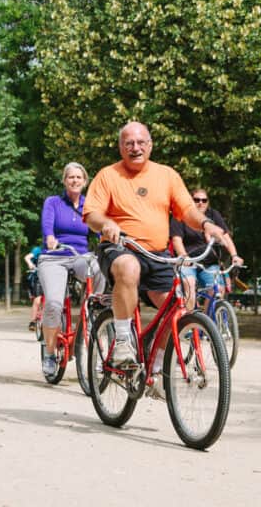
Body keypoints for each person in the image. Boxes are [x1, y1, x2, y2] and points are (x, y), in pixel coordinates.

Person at [83, 122, 226, 393]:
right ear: (121, 147)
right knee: (127, 266)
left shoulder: (167, 175)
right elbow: (92, 214)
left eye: (140, 143)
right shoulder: (107, 175)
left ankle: (157, 367)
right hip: (120, 247)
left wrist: (206, 223)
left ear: (150, 145)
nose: (135, 148)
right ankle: (124, 340)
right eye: (129, 143)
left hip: (158, 254)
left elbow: (186, 210)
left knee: (185, 293)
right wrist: (106, 225)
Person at [35, 162, 106, 378]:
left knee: (100, 267)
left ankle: (92, 307)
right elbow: (47, 225)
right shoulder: (53, 203)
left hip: (79, 257)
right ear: (65, 181)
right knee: (54, 304)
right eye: (70, 177)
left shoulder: (90, 205)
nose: (74, 180)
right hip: (54, 257)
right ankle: (49, 353)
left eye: (78, 177)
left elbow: (99, 230)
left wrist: (106, 242)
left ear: (85, 181)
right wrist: (49, 237)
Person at [169, 188, 242, 311]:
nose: (200, 203)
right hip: (188, 262)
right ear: (190, 201)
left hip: (209, 263)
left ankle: (208, 325)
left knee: (217, 289)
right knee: (189, 286)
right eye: (196, 200)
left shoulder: (213, 215)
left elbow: (225, 236)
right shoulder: (180, 215)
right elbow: (176, 240)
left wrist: (234, 255)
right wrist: (183, 255)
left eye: (204, 200)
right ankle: (190, 325)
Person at [24, 245, 43, 331]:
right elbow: (27, 257)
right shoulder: (38, 250)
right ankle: (32, 322)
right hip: (38, 278)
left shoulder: (57, 249)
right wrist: (30, 264)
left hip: (51, 278)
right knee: (38, 300)